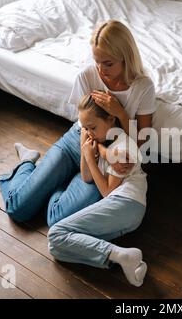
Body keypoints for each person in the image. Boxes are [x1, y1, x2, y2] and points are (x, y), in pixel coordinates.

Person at [0, 20, 156, 226]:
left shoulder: (143, 87)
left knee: (57, 218)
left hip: (108, 158)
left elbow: (142, 144)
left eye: (108, 63)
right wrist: (94, 150)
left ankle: (53, 182)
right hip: (78, 140)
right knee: (18, 209)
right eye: (97, 61)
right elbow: (84, 127)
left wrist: (121, 114)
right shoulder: (87, 75)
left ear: (126, 57)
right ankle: (27, 163)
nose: (101, 69)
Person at [48, 94, 148, 287]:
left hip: (125, 202)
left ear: (110, 119)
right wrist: (87, 148)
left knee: (56, 234)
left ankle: (122, 255)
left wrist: (91, 155)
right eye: (85, 128)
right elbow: (86, 177)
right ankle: (121, 257)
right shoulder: (104, 143)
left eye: (92, 127)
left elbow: (107, 192)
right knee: (58, 248)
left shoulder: (122, 147)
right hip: (127, 212)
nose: (89, 133)